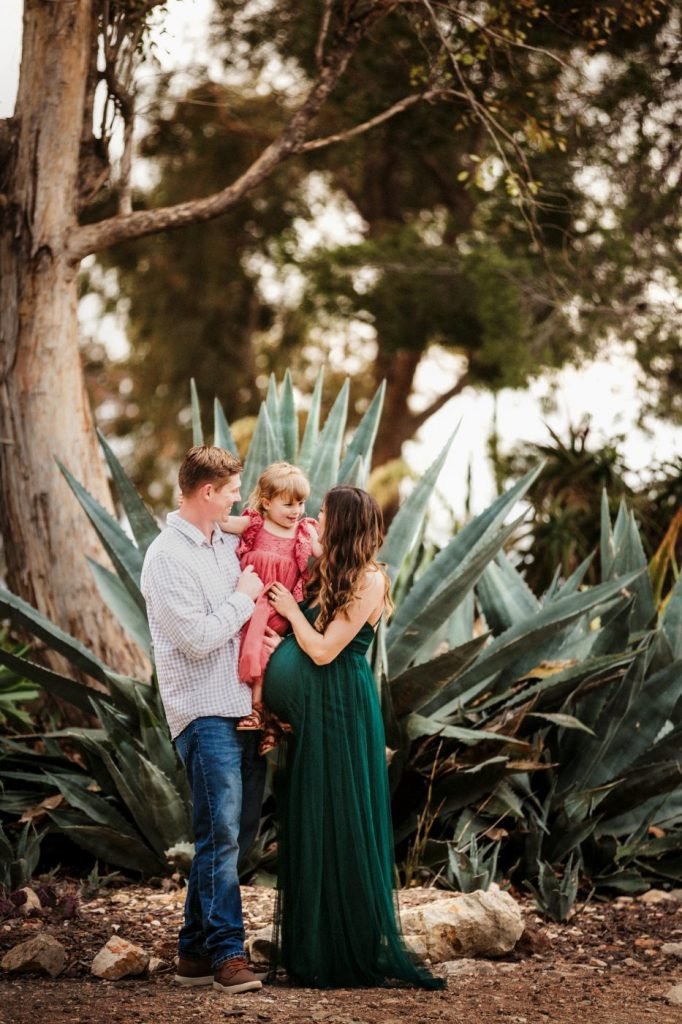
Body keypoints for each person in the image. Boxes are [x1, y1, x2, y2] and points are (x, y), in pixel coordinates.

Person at [262, 486, 444, 990]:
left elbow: (324, 651)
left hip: (341, 709)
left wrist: (291, 612)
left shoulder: (368, 578)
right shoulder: (328, 567)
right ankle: (313, 945)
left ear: (342, 522)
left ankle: (347, 950)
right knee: (311, 817)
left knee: (340, 817)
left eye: (322, 513)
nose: (314, 518)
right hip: (315, 709)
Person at [140, 445, 270, 995]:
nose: (240, 496)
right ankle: (225, 953)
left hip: (244, 709)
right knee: (219, 834)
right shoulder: (166, 557)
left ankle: (192, 954)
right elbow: (195, 640)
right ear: (207, 492)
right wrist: (245, 597)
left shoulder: (224, 542)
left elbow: (278, 526)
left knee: (233, 834)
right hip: (203, 710)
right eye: (232, 487)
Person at [219, 462, 319, 755]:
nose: (296, 510)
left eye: (300, 503)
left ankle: (260, 709)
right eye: (288, 504)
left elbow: (323, 553)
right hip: (250, 602)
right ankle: (268, 718)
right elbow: (222, 521)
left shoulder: (303, 531)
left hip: (279, 604)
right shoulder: (255, 523)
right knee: (253, 649)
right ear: (266, 502)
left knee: (267, 651)